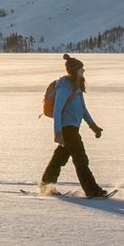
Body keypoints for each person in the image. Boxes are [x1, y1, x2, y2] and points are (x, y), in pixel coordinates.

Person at [40, 53, 112, 198]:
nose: (83, 71)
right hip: (67, 130)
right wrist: (58, 132)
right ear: (74, 70)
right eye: (81, 69)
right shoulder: (64, 87)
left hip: (72, 128)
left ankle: (46, 185)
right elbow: (58, 111)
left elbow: (83, 109)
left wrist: (94, 126)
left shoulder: (76, 86)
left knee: (59, 158)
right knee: (81, 159)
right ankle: (92, 190)